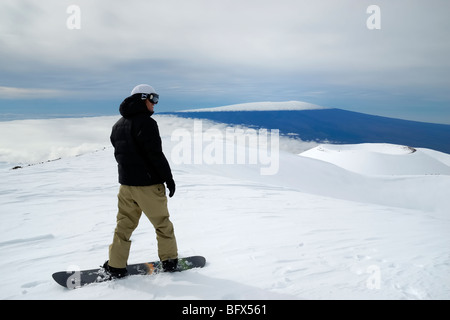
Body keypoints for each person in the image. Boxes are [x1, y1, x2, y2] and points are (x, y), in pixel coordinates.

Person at [103, 84, 178, 278]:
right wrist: (168, 179)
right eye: (153, 99)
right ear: (142, 98)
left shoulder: (118, 125)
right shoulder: (146, 123)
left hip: (126, 186)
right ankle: (169, 261)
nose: (155, 104)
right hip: (148, 186)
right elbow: (155, 154)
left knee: (124, 225)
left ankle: (116, 264)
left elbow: (120, 154)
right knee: (162, 224)